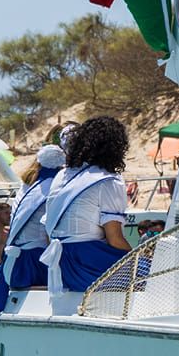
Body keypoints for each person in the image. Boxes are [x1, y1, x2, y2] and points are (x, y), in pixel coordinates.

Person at [41, 118, 134, 295]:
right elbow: (115, 239)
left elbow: (47, 231)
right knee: (151, 271)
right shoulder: (108, 180)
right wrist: (138, 259)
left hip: (60, 265)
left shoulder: (62, 175)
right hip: (85, 262)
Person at [0, 144, 63, 325]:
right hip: (35, 263)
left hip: (15, 265)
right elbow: (51, 231)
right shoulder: (55, 186)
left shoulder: (27, 185)